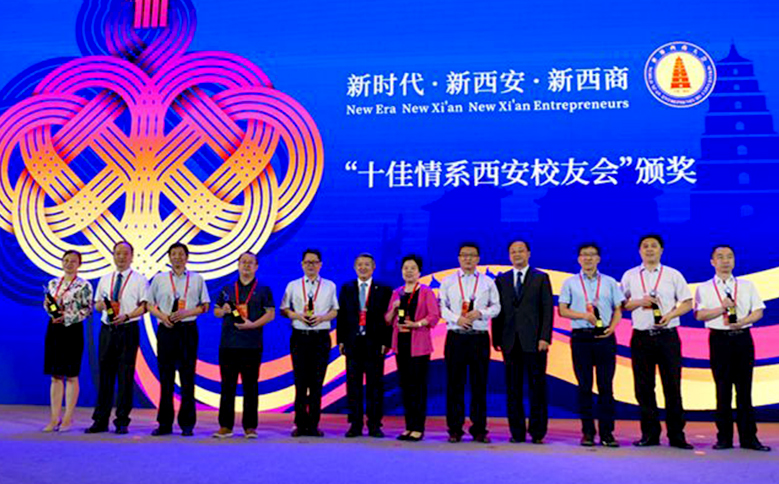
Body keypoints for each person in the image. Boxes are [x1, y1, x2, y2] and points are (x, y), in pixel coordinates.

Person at [694, 245, 770, 451]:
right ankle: (724, 438)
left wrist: (743, 321)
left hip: (743, 338)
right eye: (720, 257)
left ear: (734, 261)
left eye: (729, 257)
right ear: (712, 262)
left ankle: (749, 439)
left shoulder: (747, 285)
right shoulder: (704, 288)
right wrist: (722, 308)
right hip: (719, 340)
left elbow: (758, 311)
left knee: (745, 390)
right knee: (723, 390)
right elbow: (699, 315)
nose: (725, 261)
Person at [620, 234, 693, 449]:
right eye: (645, 246)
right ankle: (650, 434)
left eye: (654, 246)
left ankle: (677, 435)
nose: (649, 249)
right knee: (644, 387)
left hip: (668, 336)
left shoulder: (673, 274)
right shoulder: (630, 275)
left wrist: (671, 315)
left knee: (672, 386)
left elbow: (687, 302)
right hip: (641, 337)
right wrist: (639, 301)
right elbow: (622, 304)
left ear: (661, 250)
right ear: (639, 251)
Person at [558, 243, 624, 447]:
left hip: (605, 337)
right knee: (584, 387)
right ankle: (587, 433)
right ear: (579, 259)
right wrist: (583, 316)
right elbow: (562, 310)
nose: (588, 258)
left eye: (592, 255)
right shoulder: (570, 283)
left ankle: (607, 433)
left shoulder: (610, 282)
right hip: (581, 338)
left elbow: (618, 309)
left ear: (598, 259)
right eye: (584, 255)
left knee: (606, 387)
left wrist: (613, 327)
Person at [492, 239, 554, 444]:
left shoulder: (541, 277)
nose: (517, 254)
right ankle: (517, 433)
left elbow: (547, 310)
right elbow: (498, 312)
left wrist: (545, 337)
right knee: (513, 389)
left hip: (535, 342)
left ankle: (537, 432)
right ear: (509, 256)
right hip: (510, 342)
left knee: (537, 388)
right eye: (513, 252)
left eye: (521, 251)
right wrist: (496, 337)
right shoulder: (502, 280)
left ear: (528, 253)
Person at [439, 242, 500, 443]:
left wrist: (480, 313)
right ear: (458, 258)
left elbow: (497, 307)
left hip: (479, 337)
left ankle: (479, 429)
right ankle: (454, 429)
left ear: (478, 259)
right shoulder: (448, 281)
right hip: (455, 336)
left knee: (479, 385)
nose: (468, 258)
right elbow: (442, 307)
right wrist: (457, 319)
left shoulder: (488, 282)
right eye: (464, 255)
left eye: (472, 255)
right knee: (454, 384)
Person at [148, 242, 210, 436]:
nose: (177, 257)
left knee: (187, 377)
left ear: (187, 257)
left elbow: (205, 306)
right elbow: (148, 304)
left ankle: (187, 424)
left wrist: (187, 312)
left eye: (181, 254)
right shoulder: (159, 279)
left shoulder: (197, 279)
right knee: (166, 378)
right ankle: (164, 424)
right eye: (173, 254)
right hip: (166, 329)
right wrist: (162, 317)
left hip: (187, 330)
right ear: (169, 257)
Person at [86, 241, 149, 434]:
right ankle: (100, 420)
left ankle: (122, 420)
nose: (121, 257)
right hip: (107, 329)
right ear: (113, 256)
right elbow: (97, 305)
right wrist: (103, 306)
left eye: (125, 253)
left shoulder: (140, 279)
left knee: (125, 376)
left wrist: (127, 315)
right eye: (118, 253)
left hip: (128, 328)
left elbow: (145, 306)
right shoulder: (105, 279)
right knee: (105, 375)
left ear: (132, 257)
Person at [212, 252, 275, 439]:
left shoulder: (263, 289)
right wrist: (223, 310)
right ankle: (225, 426)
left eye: (250, 263)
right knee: (227, 386)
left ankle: (250, 427)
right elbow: (215, 311)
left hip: (252, 344)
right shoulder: (227, 289)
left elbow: (270, 314)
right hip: (228, 344)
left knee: (251, 386)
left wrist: (253, 325)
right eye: (243, 262)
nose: (246, 265)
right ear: (238, 265)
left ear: (256, 267)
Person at [281, 249, 339, 437]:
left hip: (320, 337)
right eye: (307, 262)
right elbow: (284, 309)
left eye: (314, 262)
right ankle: (299, 424)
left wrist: (322, 318)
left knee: (316, 382)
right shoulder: (293, 285)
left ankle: (314, 424)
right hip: (300, 336)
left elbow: (335, 310)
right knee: (300, 382)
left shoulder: (330, 285)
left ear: (320, 264)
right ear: (302, 264)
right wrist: (298, 315)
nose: (311, 265)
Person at [385, 254, 440, 442]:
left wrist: (416, 324)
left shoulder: (426, 292)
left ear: (419, 272)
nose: (409, 271)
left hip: (419, 345)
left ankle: (418, 428)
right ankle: (408, 427)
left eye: (412, 268)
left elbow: (434, 316)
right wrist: (394, 308)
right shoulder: (397, 292)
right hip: (401, 345)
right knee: (406, 386)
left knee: (418, 387)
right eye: (405, 268)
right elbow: (387, 320)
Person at [337, 253, 392, 438]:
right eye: (359, 265)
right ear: (355, 268)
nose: (363, 268)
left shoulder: (384, 289)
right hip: (353, 343)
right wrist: (341, 340)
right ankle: (355, 424)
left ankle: (375, 424)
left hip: (374, 344)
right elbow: (342, 316)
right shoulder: (347, 288)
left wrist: (386, 341)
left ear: (373, 267)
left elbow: (388, 319)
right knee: (353, 385)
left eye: (367, 264)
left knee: (375, 386)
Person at [42, 250, 93, 432]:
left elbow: (88, 310)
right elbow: (47, 303)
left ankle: (68, 418)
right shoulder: (53, 283)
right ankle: (54, 418)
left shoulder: (84, 285)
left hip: (73, 329)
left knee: (71, 375)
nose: (69, 264)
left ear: (79, 264)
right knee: (56, 376)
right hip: (54, 329)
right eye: (66, 260)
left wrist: (67, 317)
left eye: (73, 261)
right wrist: (50, 311)